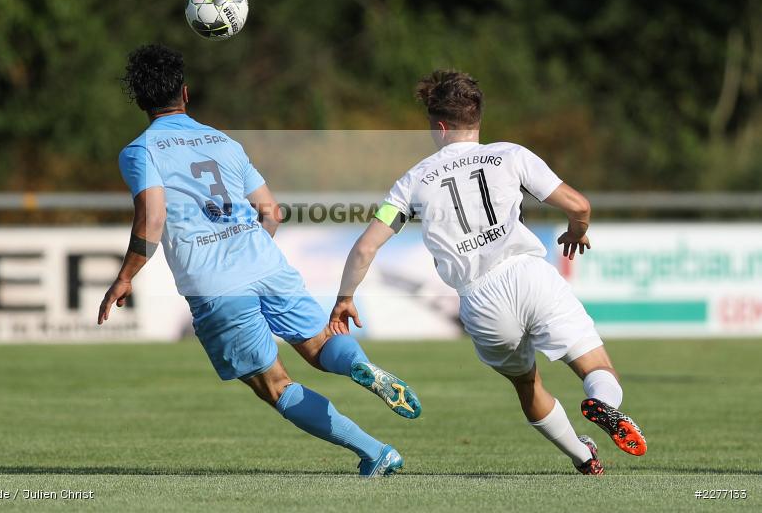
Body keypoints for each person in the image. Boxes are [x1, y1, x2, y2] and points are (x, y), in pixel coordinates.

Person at [97, 44, 420, 477]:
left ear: (140, 101)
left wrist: (125, 276)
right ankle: (359, 364)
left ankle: (375, 451)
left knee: (275, 385)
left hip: (216, 285)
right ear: (186, 93)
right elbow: (272, 212)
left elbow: (152, 217)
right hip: (268, 266)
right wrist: (249, 248)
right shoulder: (223, 142)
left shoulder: (140, 151)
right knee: (322, 345)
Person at [330, 70, 646, 475]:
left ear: (440, 126)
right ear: (476, 119)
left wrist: (344, 298)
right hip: (529, 274)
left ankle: (583, 458)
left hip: (479, 299)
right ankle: (603, 404)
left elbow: (365, 247)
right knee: (595, 366)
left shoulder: (411, 182)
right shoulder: (511, 155)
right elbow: (579, 206)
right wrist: (576, 232)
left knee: (527, 385)